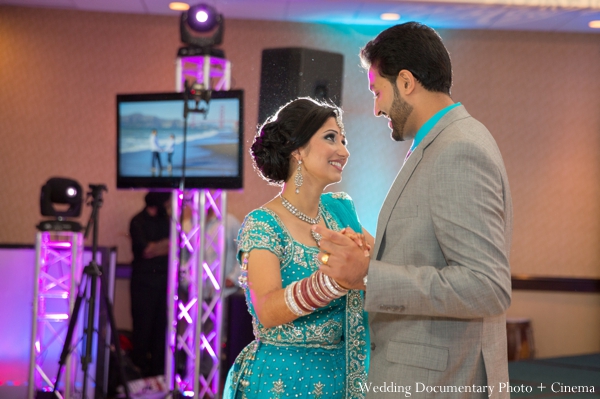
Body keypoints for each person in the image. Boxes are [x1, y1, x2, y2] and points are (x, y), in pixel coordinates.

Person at [313, 22, 513, 398]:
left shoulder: (458, 149)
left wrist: (369, 275)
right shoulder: (440, 143)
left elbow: (487, 287)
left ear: (406, 82)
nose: (375, 108)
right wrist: (378, 252)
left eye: (377, 92)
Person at [223, 98, 371, 399]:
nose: (344, 151)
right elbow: (266, 309)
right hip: (282, 379)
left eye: (343, 140)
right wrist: (334, 281)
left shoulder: (340, 213)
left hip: (340, 380)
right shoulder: (263, 223)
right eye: (331, 138)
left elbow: (378, 267)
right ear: (298, 149)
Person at [129, 191, 171, 377]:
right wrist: (165, 245)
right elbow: (145, 250)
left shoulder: (168, 221)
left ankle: (158, 373)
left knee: (162, 329)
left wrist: (159, 247)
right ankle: (139, 372)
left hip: (164, 283)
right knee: (142, 328)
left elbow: (175, 245)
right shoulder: (137, 221)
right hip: (143, 284)